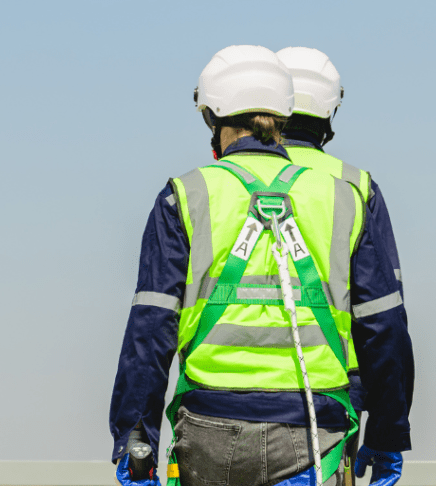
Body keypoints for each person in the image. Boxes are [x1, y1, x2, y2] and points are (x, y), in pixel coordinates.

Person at [109, 45, 413, 486]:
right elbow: (382, 328)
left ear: (213, 117)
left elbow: (151, 328)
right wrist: (386, 434)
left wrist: (136, 436)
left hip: (209, 428)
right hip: (315, 431)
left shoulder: (185, 195)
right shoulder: (345, 197)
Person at [276, 46, 412, 485]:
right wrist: (389, 430)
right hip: (332, 394)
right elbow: (384, 324)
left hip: (218, 402)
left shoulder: (222, 181)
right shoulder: (356, 187)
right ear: (331, 111)